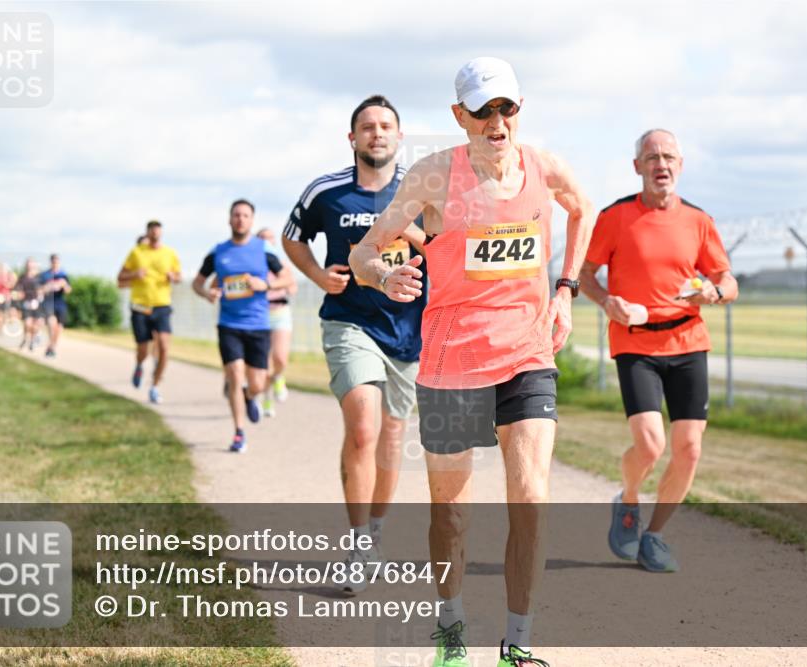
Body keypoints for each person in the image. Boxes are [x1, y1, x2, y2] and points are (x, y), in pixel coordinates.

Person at [350, 57, 594, 666]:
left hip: (528, 353)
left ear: (518, 111)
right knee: (452, 513)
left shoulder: (545, 168)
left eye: (506, 107)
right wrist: (383, 276)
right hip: (453, 360)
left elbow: (580, 208)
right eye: (482, 110)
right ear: (460, 116)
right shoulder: (435, 177)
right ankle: (452, 630)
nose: (496, 121)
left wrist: (565, 288)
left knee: (531, 495)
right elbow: (363, 251)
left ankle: (518, 643)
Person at [283, 95, 426, 593]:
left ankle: (378, 530)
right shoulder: (326, 192)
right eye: (367, 127)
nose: (377, 133)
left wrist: (417, 237)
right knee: (363, 427)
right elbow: (292, 238)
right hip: (349, 323)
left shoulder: (423, 191)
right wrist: (319, 276)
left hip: (409, 333)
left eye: (386, 125)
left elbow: (449, 247)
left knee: (390, 437)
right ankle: (359, 542)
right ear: (353, 138)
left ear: (399, 135)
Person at [578, 129, 738, 573]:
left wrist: (714, 293)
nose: (661, 164)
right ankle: (628, 500)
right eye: (652, 158)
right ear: (637, 167)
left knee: (689, 449)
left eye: (668, 156)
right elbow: (585, 275)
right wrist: (607, 301)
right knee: (650, 444)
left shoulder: (699, 221)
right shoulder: (615, 217)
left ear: (680, 166)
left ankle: (655, 535)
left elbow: (728, 281)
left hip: (688, 341)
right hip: (635, 343)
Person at [193, 200, 294, 451]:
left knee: (258, 383)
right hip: (229, 323)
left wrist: (266, 285)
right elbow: (197, 282)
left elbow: (287, 277)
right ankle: (239, 432)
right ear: (230, 220)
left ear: (252, 220)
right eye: (236, 215)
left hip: (258, 324)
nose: (240, 219)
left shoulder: (264, 249)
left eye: (245, 215)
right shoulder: (218, 252)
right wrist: (207, 294)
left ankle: (251, 396)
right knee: (235, 375)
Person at [117, 220, 181, 404]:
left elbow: (178, 277)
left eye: (158, 231)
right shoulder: (136, 252)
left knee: (164, 347)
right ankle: (139, 365)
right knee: (143, 349)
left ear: (161, 233)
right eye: (151, 231)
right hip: (139, 306)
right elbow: (120, 277)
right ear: (147, 232)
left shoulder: (170, 253)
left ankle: (155, 386)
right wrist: (134, 274)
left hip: (162, 305)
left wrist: (173, 277)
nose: (154, 234)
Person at [256, 227, 297, 417]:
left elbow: (293, 288)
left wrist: (280, 283)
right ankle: (266, 399)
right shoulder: (253, 265)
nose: (266, 241)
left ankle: (278, 376)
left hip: (280, 312)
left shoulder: (282, 265)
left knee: (280, 358)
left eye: (269, 238)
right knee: (263, 363)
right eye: (261, 238)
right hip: (259, 315)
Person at [40, 253, 72, 358]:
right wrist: (48, 287)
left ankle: (52, 347)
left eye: (57, 261)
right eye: (53, 261)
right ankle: (51, 347)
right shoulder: (45, 275)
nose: (55, 263)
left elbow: (68, 290)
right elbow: (40, 290)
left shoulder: (63, 275)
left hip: (60, 303)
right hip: (49, 302)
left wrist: (64, 284)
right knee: (51, 323)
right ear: (51, 262)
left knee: (59, 328)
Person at [13, 259, 45, 352]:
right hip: (26, 303)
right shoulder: (22, 277)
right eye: (28, 265)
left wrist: (41, 291)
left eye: (31, 265)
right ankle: (25, 338)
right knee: (27, 323)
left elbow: (44, 287)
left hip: (37, 303)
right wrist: (19, 294)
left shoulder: (39, 277)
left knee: (35, 325)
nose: (30, 267)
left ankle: (32, 340)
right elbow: (17, 288)